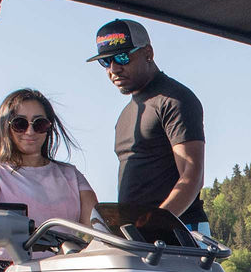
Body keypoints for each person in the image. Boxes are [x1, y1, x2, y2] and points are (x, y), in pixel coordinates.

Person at [88, 19, 209, 237]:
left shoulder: (175, 99)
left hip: (180, 231)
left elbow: (193, 176)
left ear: (148, 53)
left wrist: (155, 224)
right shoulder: (126, 114)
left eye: (122, 57)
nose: (114, 68)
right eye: (105, 62)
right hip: (138, 235)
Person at [0, 89, 96, 251]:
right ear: (5, 127)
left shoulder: (70, 174)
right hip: (8, 269)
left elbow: (100, 224)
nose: (30, 131)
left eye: (39, 124)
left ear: (49, 127)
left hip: (63, 268)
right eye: (20, 124)